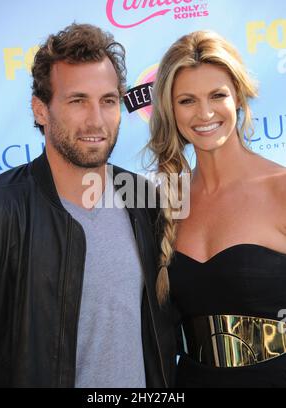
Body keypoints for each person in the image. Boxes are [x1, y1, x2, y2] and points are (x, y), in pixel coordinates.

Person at [0, 23, 178, 388]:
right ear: (40, 110)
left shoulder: (146, 201)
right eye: (77, 101)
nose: (96, 120)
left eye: (108, 101)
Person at [147, 30, 286, 387]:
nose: (205, 112)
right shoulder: (163, 204)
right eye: (187, 100)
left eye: (217, 95)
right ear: (170, 109)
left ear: (237, 96)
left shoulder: (280, 189)